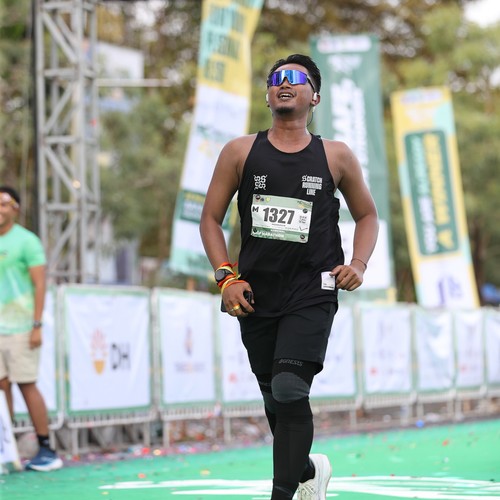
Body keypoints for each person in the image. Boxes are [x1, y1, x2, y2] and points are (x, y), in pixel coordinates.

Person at [200, 54, 378, 499]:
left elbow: (368, 215)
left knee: (289, 387)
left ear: (314, 97)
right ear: (267, 95)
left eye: (297, 79)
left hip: (313, 291)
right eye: (277, 78)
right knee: (274, 398)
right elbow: (210, 219)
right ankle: (308, 470)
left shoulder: (335, 155)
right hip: (256, 295)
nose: (285, 83)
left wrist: (357, 264)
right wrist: (226, 278)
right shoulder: (240, 151)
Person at [0, 186, 63, 472]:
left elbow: (40, 285)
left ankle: (47, 449)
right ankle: (6, 448)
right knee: (1, 387)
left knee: (26, 384)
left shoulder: (27, 241)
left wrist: (36, 325)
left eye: (4, 203)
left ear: (16, 208)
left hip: (22, 327)